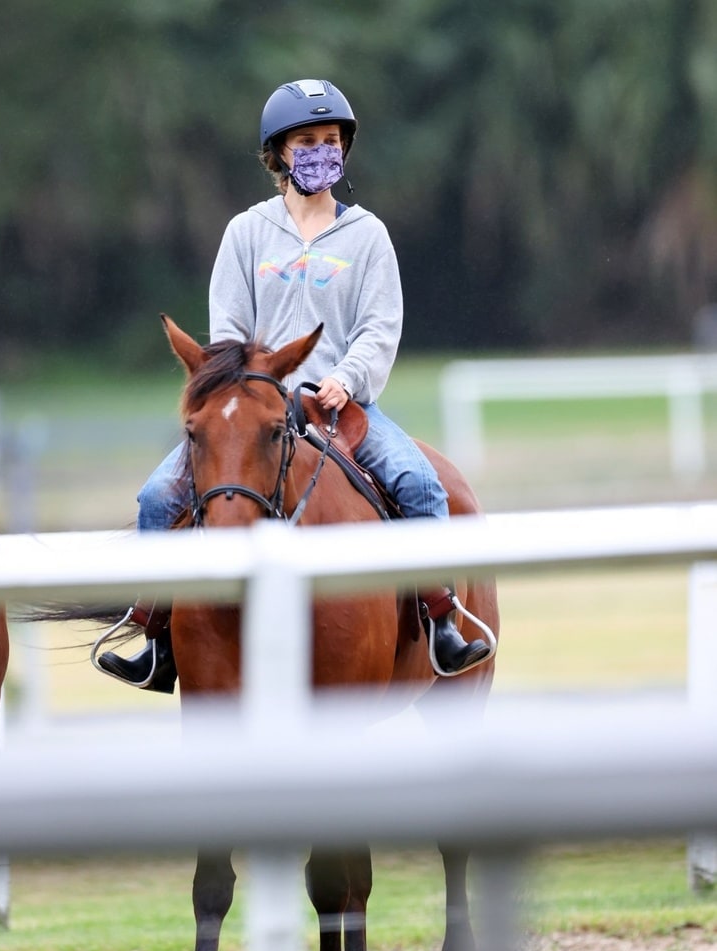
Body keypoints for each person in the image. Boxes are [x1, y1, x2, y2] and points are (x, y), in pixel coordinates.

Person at [98, 78, 490, 692]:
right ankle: (154, 635)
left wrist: (346, 377)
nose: (320, 151)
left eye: (331, 140)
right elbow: (226, 332)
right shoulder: (245, 233)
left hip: (342, 403)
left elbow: (380, 328)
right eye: (306, 140)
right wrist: (255, 384)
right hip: (256, 404)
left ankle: (443, 619)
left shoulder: (368, 236)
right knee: (155, 499)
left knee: (418, 482)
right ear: (278, 152)